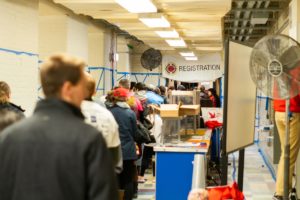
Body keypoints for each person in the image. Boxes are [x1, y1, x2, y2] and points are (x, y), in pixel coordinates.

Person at [0, 54, 118, 200]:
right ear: (68, 88)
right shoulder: (88, 138)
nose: (84, 94)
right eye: (82, 87)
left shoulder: (10, 136)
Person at [81, 72, 122, 174]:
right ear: (94, 92)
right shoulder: (107, 116)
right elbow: (116, 160)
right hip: (100, 178)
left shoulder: (63, 115)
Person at [109, 87, 138, 200]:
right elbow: (135, 133)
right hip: (128, 151)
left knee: (114, 179)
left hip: (112, 151)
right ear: (126, 98)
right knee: (128, 179)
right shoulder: (130, 113)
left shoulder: (108, 112)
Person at [272, 95, 300, 200]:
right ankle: (280, 192)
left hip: (279, 111)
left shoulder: (278, 77)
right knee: (289, 155)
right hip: (292, 112)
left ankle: (283, 189)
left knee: (285, 153)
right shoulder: (296, 77)